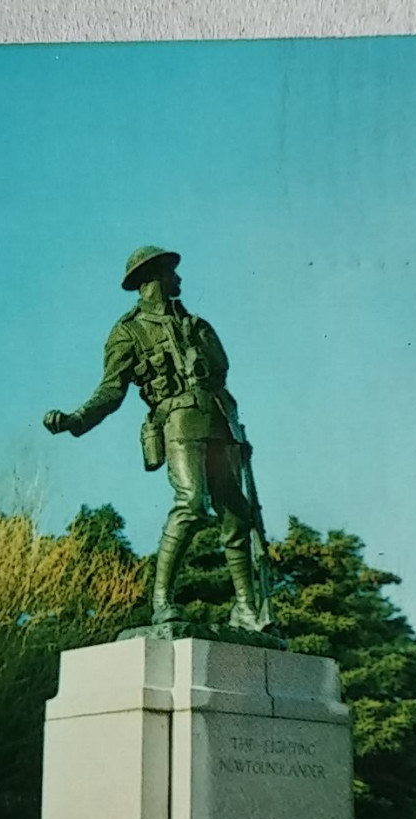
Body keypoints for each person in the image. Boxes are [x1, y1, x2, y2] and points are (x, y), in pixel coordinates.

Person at [43, 245, 268, 631]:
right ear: (151, 282)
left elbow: (221, 373)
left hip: (218, 421)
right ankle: (162, 601)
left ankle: (247, 609)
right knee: (191, 503)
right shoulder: (128, 332)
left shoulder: (197, 325)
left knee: (236, 514)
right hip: (177, 421)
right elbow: (111, 391)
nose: (178, 280)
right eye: (170, 274)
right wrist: (76, 419)